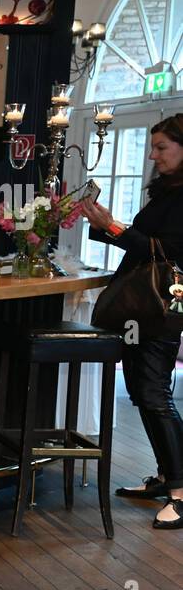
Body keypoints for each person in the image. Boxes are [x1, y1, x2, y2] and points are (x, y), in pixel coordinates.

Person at [84, 113, 183, 529]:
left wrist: (113, 225)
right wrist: (102, 226)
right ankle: (166, 477)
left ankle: (179, 492)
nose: (153, 155)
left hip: (164, 307)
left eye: (162, 147)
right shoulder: (167, 192)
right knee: (146, 392)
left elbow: (167, 251)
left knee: (154, 392)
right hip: (147, 307)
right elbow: (144, 244)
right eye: (153, 147)